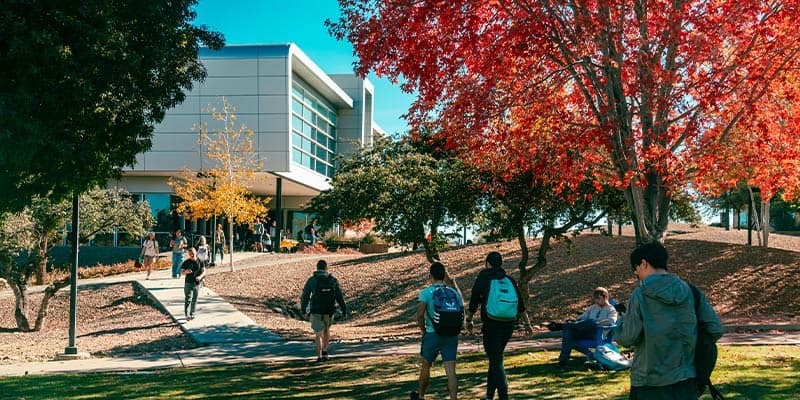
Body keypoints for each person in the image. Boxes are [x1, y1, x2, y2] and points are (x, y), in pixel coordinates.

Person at [614, 242, 723, 400]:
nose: (637, 275)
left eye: (635, 270)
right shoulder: (691, 292)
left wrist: (619, 324)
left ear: (643, 263)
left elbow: (628, 337)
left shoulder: (640, 294)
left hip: (648, 382)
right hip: (686, 380)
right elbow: (715, 328)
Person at [467, 251, 532, 400]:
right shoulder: (509, 279)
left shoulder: (484, 277)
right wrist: (528, 324)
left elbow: (474, 299)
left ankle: (504, 396)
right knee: (495, 358)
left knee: (496, 361)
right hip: (508, 324)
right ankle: (489, 396)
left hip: (491, 324)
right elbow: (520, 305)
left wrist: (469, 319)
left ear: (487, 263)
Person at [411, 261, 462, 400]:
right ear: (444, 275)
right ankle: (453, 398)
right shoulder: (453, 292)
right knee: (451, 370)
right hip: (451, 335)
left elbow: (420, 314)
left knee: (426, 365)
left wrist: (423, 330)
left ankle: (421, 395)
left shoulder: (426, 292)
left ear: (430, 276)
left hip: (432, 333)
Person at [550, 287, 618, 368]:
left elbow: (612, 321)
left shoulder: (611, 309)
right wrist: (575, 320)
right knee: (568, 333)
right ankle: (563, 361)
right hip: (586, 331)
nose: (596, 301)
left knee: (591, 322)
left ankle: (561, 326)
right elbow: (582, 318)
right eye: (595, 299)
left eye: (598, 299)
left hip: (599, 333)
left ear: (605, 297)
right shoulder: (593, 308)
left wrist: (598, 323)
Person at [300, 259, 347, 363]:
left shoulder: (312, 280)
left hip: (316, 310)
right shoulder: (332, 280)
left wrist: (303, 310)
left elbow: (305, 296)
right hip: (329, 310)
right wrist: (344, 310)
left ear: (317, 268)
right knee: (326, 330)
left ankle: (319, 356)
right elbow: (339, 297)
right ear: (326, 268)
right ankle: (325, 352)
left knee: (318, 334)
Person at [180, 247, 206, 321]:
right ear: (189, 254)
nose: (192, 255)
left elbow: (204, 271)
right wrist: (186, 272)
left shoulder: (200, 261)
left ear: (196, 253)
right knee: (188, 299)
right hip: (188, 283)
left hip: (196, 283)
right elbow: (182, 272)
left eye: (193, 254)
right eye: (190, 254)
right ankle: (187, 315)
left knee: (194, 299)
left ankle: (192, 314)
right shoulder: (186, 262)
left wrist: (200, 277)